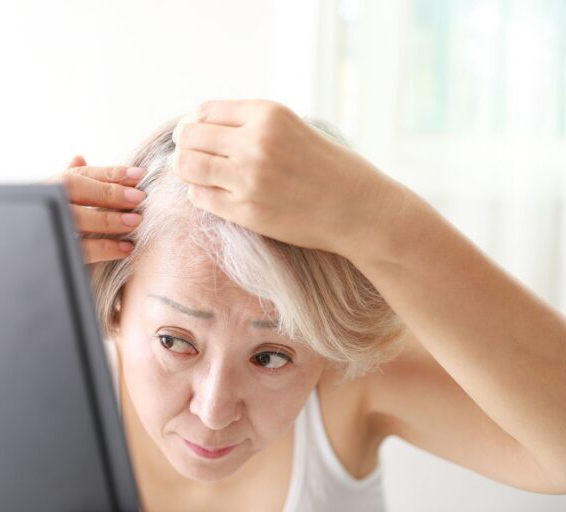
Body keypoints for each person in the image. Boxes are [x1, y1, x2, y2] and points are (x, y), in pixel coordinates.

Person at [54, 99, 566, 511]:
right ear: (117, 305)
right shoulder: (49, 390)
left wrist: (380, 215)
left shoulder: (353, 385)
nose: (213, 411)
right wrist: (4, 260)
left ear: (326, 346)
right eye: (175, 341)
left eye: (270, 356)